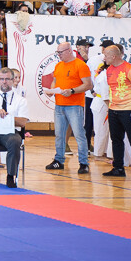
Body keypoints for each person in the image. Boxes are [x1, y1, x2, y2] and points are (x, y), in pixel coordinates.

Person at [100, 43, 131, 181]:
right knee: (116, 140)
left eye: (106, 55)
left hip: (129, 109)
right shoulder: (109, 70)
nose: (104, 58)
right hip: (114, 109)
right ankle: (118, 168)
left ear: (114, 56)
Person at [45, 39, 92, 173]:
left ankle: (84, 163)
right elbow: (55, 80)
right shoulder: (59, 65)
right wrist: (51, 90)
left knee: (79, 134)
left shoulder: (80, 65)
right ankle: (59, 160)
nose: (58, 54)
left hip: (74, 105)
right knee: (59, 134)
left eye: (60, 52)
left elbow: (88, 85)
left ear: (69, 51)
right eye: (57, 52)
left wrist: (72, 91)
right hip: (60, 105)